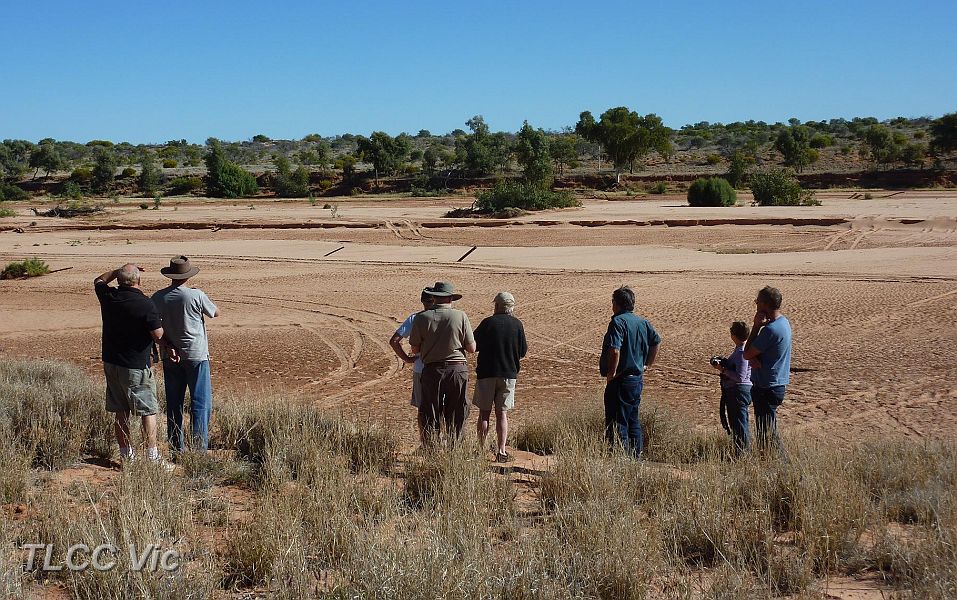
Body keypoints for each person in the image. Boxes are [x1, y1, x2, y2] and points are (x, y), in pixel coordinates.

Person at [94, 263, 171, 469]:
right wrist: (169, 343)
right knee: (148, 410)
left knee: (121, 411)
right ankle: (152, 457)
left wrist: (117, 270)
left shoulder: (109, 296)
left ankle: (126, 455)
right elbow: (158, 335)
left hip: (112, 362)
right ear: (138, 280)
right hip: (136, 365)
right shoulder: (145, 304)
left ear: (119, 280)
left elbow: (99, 280)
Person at [151, 256, 219, 454]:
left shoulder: (158, 297)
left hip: (170, 353)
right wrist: (198, 294)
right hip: (196, 354)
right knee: (200, 403)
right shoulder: (195, 295)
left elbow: (152, 325)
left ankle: (175, 448)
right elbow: (215, 312)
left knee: (174, 403)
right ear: (187, 276)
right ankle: (199, 449)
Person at [409, 282, 476, 444]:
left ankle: (432, 446)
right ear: (451, 298)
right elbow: (471, 348)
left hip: (432, 370)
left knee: (431, 410)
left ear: (434, 297)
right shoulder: (461, 316)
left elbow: (415, 349)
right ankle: (455, 446)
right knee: (457, 410)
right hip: (457, 369)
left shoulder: (421, 318)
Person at [599, 286, 660, 457]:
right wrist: (647, 365)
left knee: (617, 423)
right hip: (636, 380)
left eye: (613, 301)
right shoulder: (642, 322)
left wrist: (611, 374)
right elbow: (656, 342)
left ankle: (621, 460)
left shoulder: (618, 322)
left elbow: (615, 350)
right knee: (633, 422)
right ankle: (636, 459)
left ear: (617, 304)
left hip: (621, 380)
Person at [472, 292, 528, 462]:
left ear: (497, 306)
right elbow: (523, 351)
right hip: (508, 374)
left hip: (486, 373)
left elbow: (474, 345)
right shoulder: (517, 325)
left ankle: (480, 449)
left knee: (484, 414)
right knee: (502, 414)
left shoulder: (488, 323)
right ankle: (501, 451)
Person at [743, 286, 792, 461]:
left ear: (764, 304)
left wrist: (756, 327)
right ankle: (776, 462)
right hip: (777, 383)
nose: (756, 304)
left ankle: (781, 464)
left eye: (757, 302)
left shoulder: (770, 330)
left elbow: (746, 353)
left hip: (766, 386)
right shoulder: (784, 322)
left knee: (766, 432)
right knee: (768, 428)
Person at [389, 289, 433, 446]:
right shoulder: (443, 317)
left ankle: (425, 442)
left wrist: (407, 359)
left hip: (421, 368)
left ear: (422, 301)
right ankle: (439, 441)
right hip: (441, 367)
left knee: (422, 408)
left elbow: (394, 341)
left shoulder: (415, 318)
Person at [711, 321, 752, 456]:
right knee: (739, 423)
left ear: (734, 335)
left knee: (739, 424)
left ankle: (742, 454)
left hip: (738, 391)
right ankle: (742, 452)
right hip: (740, 390)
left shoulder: (742, 352)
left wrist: (722, 369)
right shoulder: (743, 349)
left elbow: (740, 377)